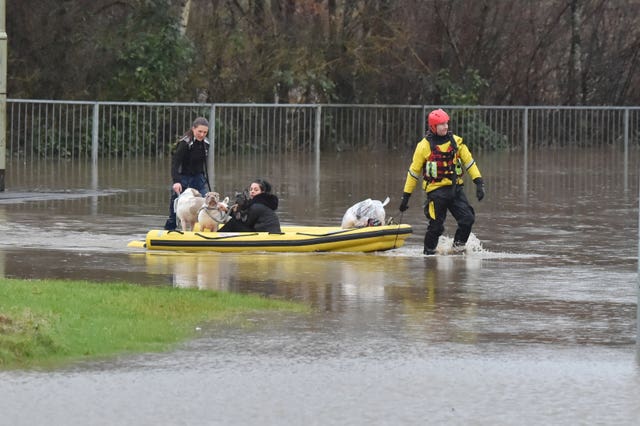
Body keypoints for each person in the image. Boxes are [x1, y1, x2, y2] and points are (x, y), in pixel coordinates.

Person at [398, 108, 485, 255]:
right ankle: (428, 254)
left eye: (446, 123)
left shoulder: (457, 142)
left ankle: (457, 249)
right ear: (433, 127)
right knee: (436, 227)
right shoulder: (423, 147)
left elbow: (469, 162)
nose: (445, 126)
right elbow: (413, 174)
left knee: (467, 219)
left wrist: (478, 182)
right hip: (436, 192)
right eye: (441, 124)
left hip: (455, 189)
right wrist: (405, 197)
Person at [164, 117, 211, 230]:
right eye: (199, 131)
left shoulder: (206, 143)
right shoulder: (185, 143)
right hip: (183, 177)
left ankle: (208, 226)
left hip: (198, 177)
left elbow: (202, 163)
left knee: (207, 201)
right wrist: (176, 181)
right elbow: (175, 163)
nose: (202, 134)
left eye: (205, 132)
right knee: (176, 203)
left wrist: (204, 180)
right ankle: (170, 227)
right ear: (193, 129)